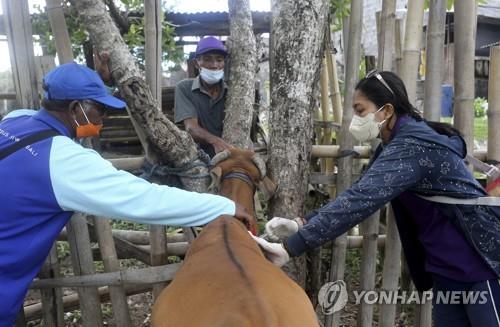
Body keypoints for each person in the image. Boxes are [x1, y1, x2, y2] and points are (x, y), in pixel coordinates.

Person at [0, 62, 252, 326]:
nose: (104, 117)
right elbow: (145, 200)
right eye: (100, 109)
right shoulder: (63, 161)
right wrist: (224, 207)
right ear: (76, 109)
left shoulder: (15, 120)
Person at [253, 70, 500, 326]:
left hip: (480, 262)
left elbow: (362, 199)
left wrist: (291, 247)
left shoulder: (411, 146)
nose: (354, 119)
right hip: (445, 267)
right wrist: (301, 224)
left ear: (386, 111)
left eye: (360, 110)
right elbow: (359, 192)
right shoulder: (392, 146)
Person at [174, 36, 232, 158]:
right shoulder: (185, 88)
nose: (214, 65)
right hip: (199, 156)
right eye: (207, 60)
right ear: (196, 63)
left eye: (219, 60)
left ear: (224, 63)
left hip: (230, 153)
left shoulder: (232, 91)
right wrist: (216, 141)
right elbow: (191, 128)